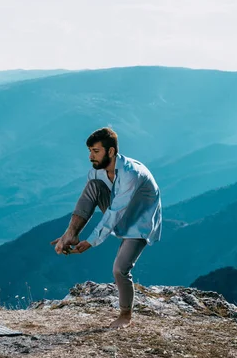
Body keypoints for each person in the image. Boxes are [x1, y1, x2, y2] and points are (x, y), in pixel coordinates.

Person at [51, 127, 162, 328]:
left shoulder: (130, 173)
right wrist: (72, 232)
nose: (90, 156)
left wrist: (92, 241)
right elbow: (90, 203)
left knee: (120, 269)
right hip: (118, 214)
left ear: (111, 151)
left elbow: (115, 212)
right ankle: (70, 235)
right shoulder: (96, 172)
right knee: (93, 185)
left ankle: (125, 315)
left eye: (96, 151)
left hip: (139, 222)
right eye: (89, 151)